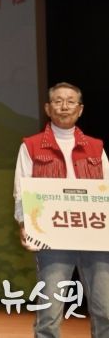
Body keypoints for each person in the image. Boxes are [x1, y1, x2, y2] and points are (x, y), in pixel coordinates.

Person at [13, 82, 109, 338]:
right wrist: (24, 223)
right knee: (49, 313)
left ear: (80, 109)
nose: (64, 106)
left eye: (70, 101)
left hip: (95, 237)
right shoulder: (31, 146)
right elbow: (21, 190)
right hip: (51, 237)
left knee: (105, 310)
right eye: (57, 101)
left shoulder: (96, 148)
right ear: (48, 108)